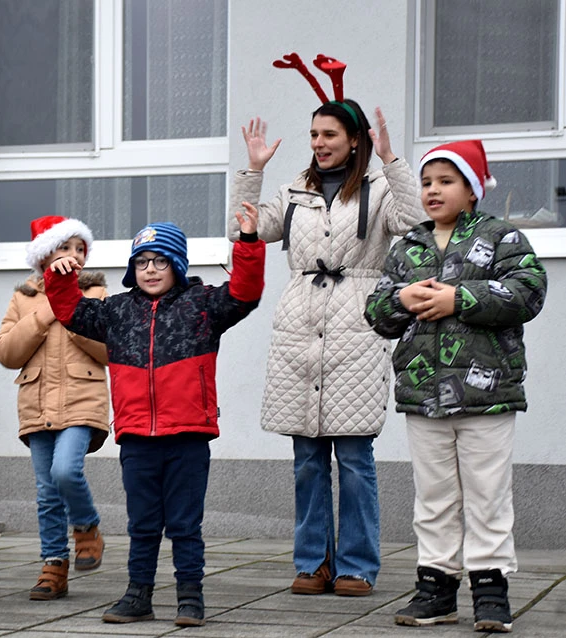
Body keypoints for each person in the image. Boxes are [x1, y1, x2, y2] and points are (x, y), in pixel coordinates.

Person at [228, 53, 428, 596]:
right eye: (314, 134)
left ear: (354, 139)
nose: (319, 143)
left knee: (356, 458)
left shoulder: (379, 188)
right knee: (308, 460)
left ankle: (357, 565)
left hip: (357, 324)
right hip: (299, 325)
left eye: (329, 134)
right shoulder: (296, 188)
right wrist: (253, 173)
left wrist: (392, 160)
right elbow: (244, 229)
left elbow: (416, 223)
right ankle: (313, 561)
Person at [44, 213, 265, 627]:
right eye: (142, 261)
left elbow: (245, 292)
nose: (150, 269)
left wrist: (249, 243)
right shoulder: (117, 311)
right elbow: (70, 310)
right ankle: (138, 595)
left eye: (160, 260)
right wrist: (60, 276)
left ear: (177, 264)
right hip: (137, 440)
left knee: (184, 524)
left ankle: (190, 598)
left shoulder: (202, 305)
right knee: (142, 524)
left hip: (188, 438)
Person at [365, 140, 547, 632]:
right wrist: (401, 298)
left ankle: (490, 589)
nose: (433, 190)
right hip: (423, 396)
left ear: (472, 189)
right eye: (427, 182)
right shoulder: (408, 247)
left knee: (488, 494)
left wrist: (459, 298)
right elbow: (377, 312)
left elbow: (529, 291)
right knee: (435, 497)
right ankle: (436, 588)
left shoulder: (501, 237)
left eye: (446, 181)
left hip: (487, 397)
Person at [0, 215, 110, 601]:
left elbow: (110, 350)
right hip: (37, 403)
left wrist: (71, 309)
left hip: (82, 400)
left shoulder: (95, 294)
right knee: (46, 492)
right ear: (44, 255)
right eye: (65, 247)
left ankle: (87, 528)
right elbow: (6, 353)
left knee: (65, 471)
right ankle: (54, 566)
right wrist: (45, 313)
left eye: (81, 249)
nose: (75, 255)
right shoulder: (24, 298)